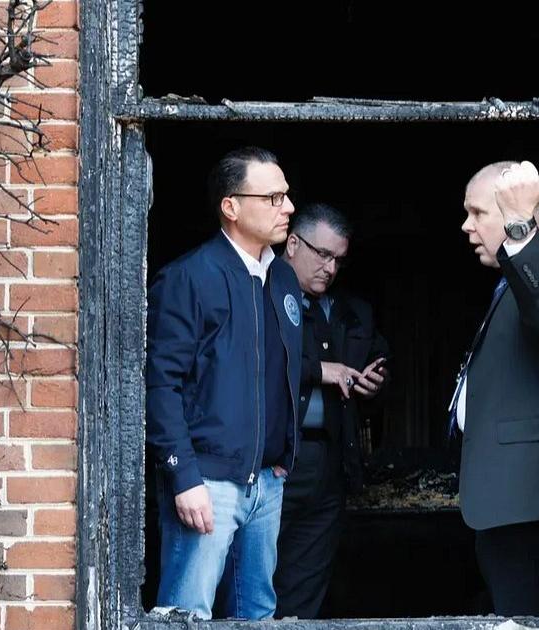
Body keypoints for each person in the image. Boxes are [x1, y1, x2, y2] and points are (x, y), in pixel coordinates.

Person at [145, 146, 303, 620]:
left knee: (257, 613)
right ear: (231, 207)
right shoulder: (188, 278)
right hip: (207, 482)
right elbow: (161, 385)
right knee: (187, 614)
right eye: (273, 198)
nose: (288, 207)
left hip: (267, 483)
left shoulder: (283, 278)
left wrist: (284, 452)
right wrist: (184, 476)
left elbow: (284, 372)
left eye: (286, 195)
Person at [448, 160, 539, 617]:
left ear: (516, 213)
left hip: (530, 500)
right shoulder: (510, 277)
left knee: (530, 617)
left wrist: (521, 231)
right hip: (509, 499)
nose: (466, 226)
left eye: (477, 213)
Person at [272, 202, 389, 619]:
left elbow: (378, 360)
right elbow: (255, 362)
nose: (330, 268)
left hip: (331, 459)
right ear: (292, 244)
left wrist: (375, 382)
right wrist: (321, 370)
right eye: (322, 255)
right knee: (252, 578)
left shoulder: (353, 310)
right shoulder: (260, 291)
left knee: (306, 582)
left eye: (338, 259)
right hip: (275, 460)